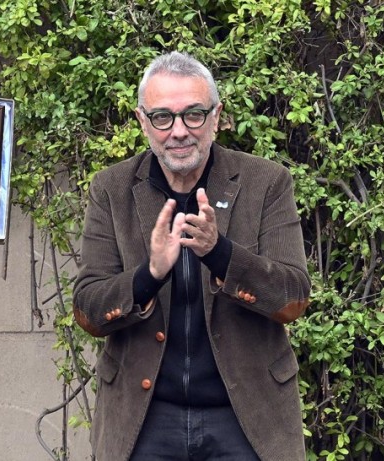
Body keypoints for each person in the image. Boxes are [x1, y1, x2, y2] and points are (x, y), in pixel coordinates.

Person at [73, 51, 311, 461]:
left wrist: (219, 254)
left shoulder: (267, 182)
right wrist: (148, 275)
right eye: (163, 117)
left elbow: (294, 298)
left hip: (246, 415)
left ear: (216, 117)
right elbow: (88, 311)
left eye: (194, 115)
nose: (179, 131)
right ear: (143, 122)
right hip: (145, 418)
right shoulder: (110, 189)